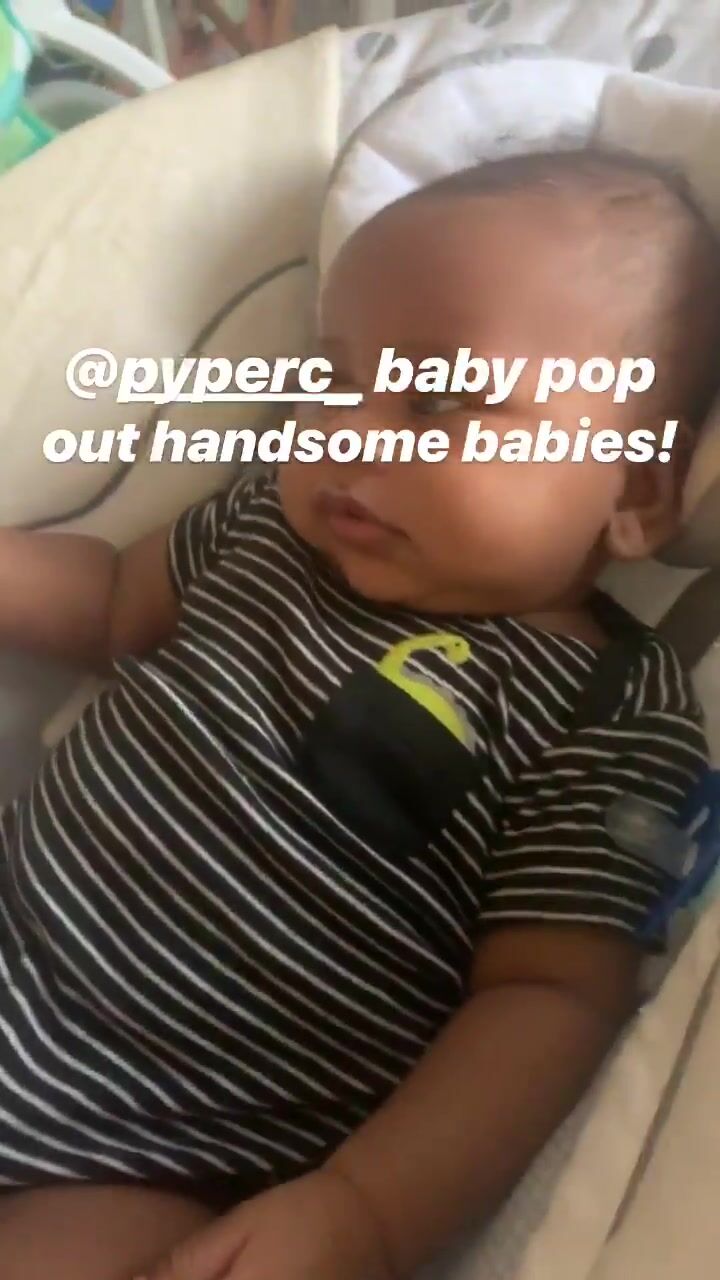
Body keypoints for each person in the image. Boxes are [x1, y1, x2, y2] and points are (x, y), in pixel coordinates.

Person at [0, 149, 717, 1280]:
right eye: (330, 382)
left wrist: (366, 1211)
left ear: (632, 488)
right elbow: (105, 603)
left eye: (437, 402)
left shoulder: (608, 713)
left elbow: (547, 997)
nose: (352, 432)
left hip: (161, 1151)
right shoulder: (264, 528)